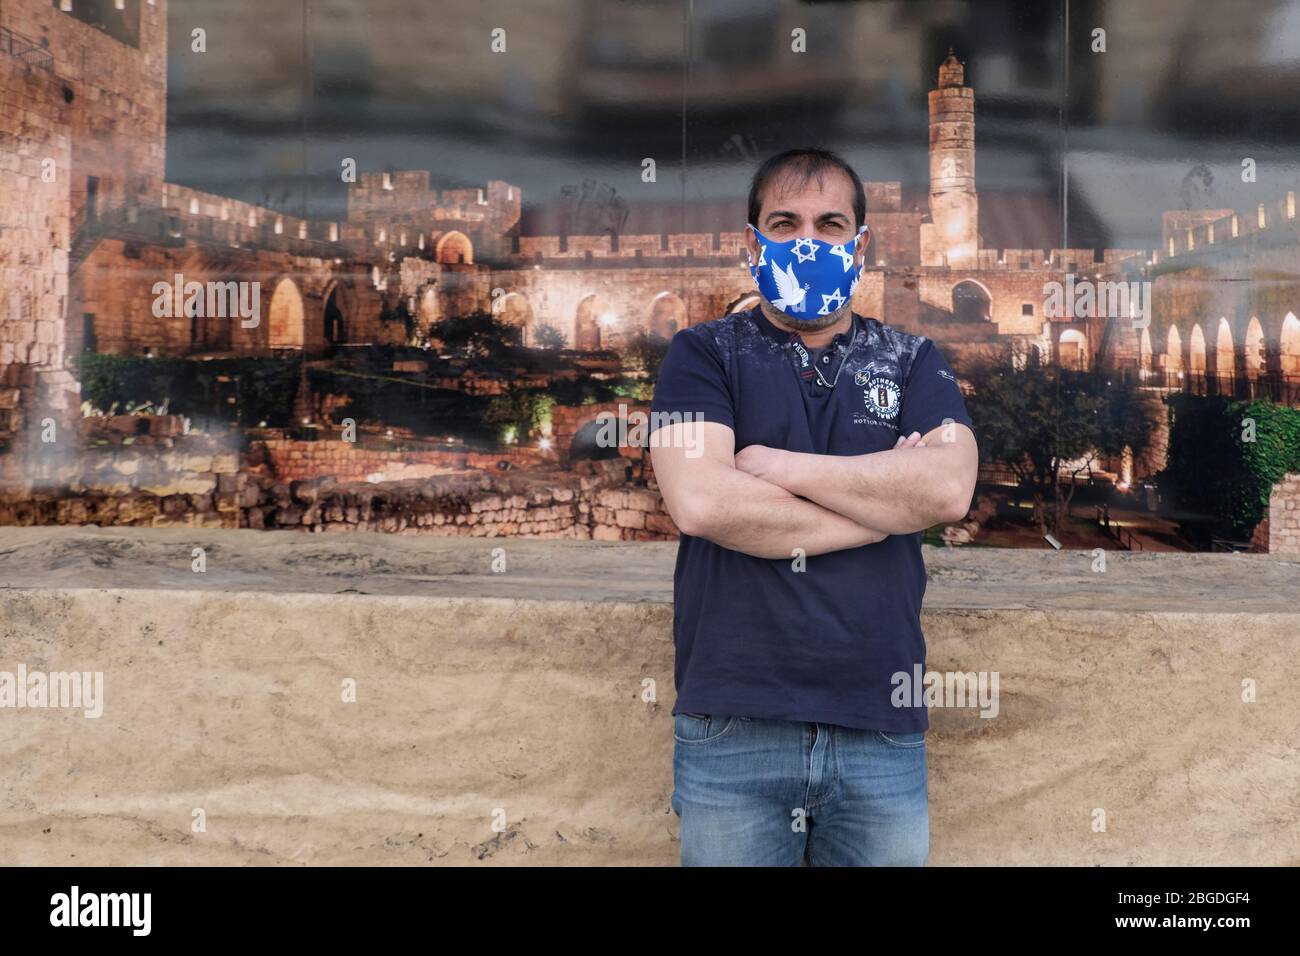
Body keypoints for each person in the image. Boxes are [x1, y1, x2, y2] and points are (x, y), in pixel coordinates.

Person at [649, 147, 978, 866]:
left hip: (879, 725)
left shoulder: (912, 359)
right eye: (785, 222)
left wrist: (775, 466)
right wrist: (886, 504)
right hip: (733, 722)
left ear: (860, 245)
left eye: (831, 224)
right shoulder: (702, 355)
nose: (809, 241)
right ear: (751, 242)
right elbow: (702, 501)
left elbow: (948, 490)